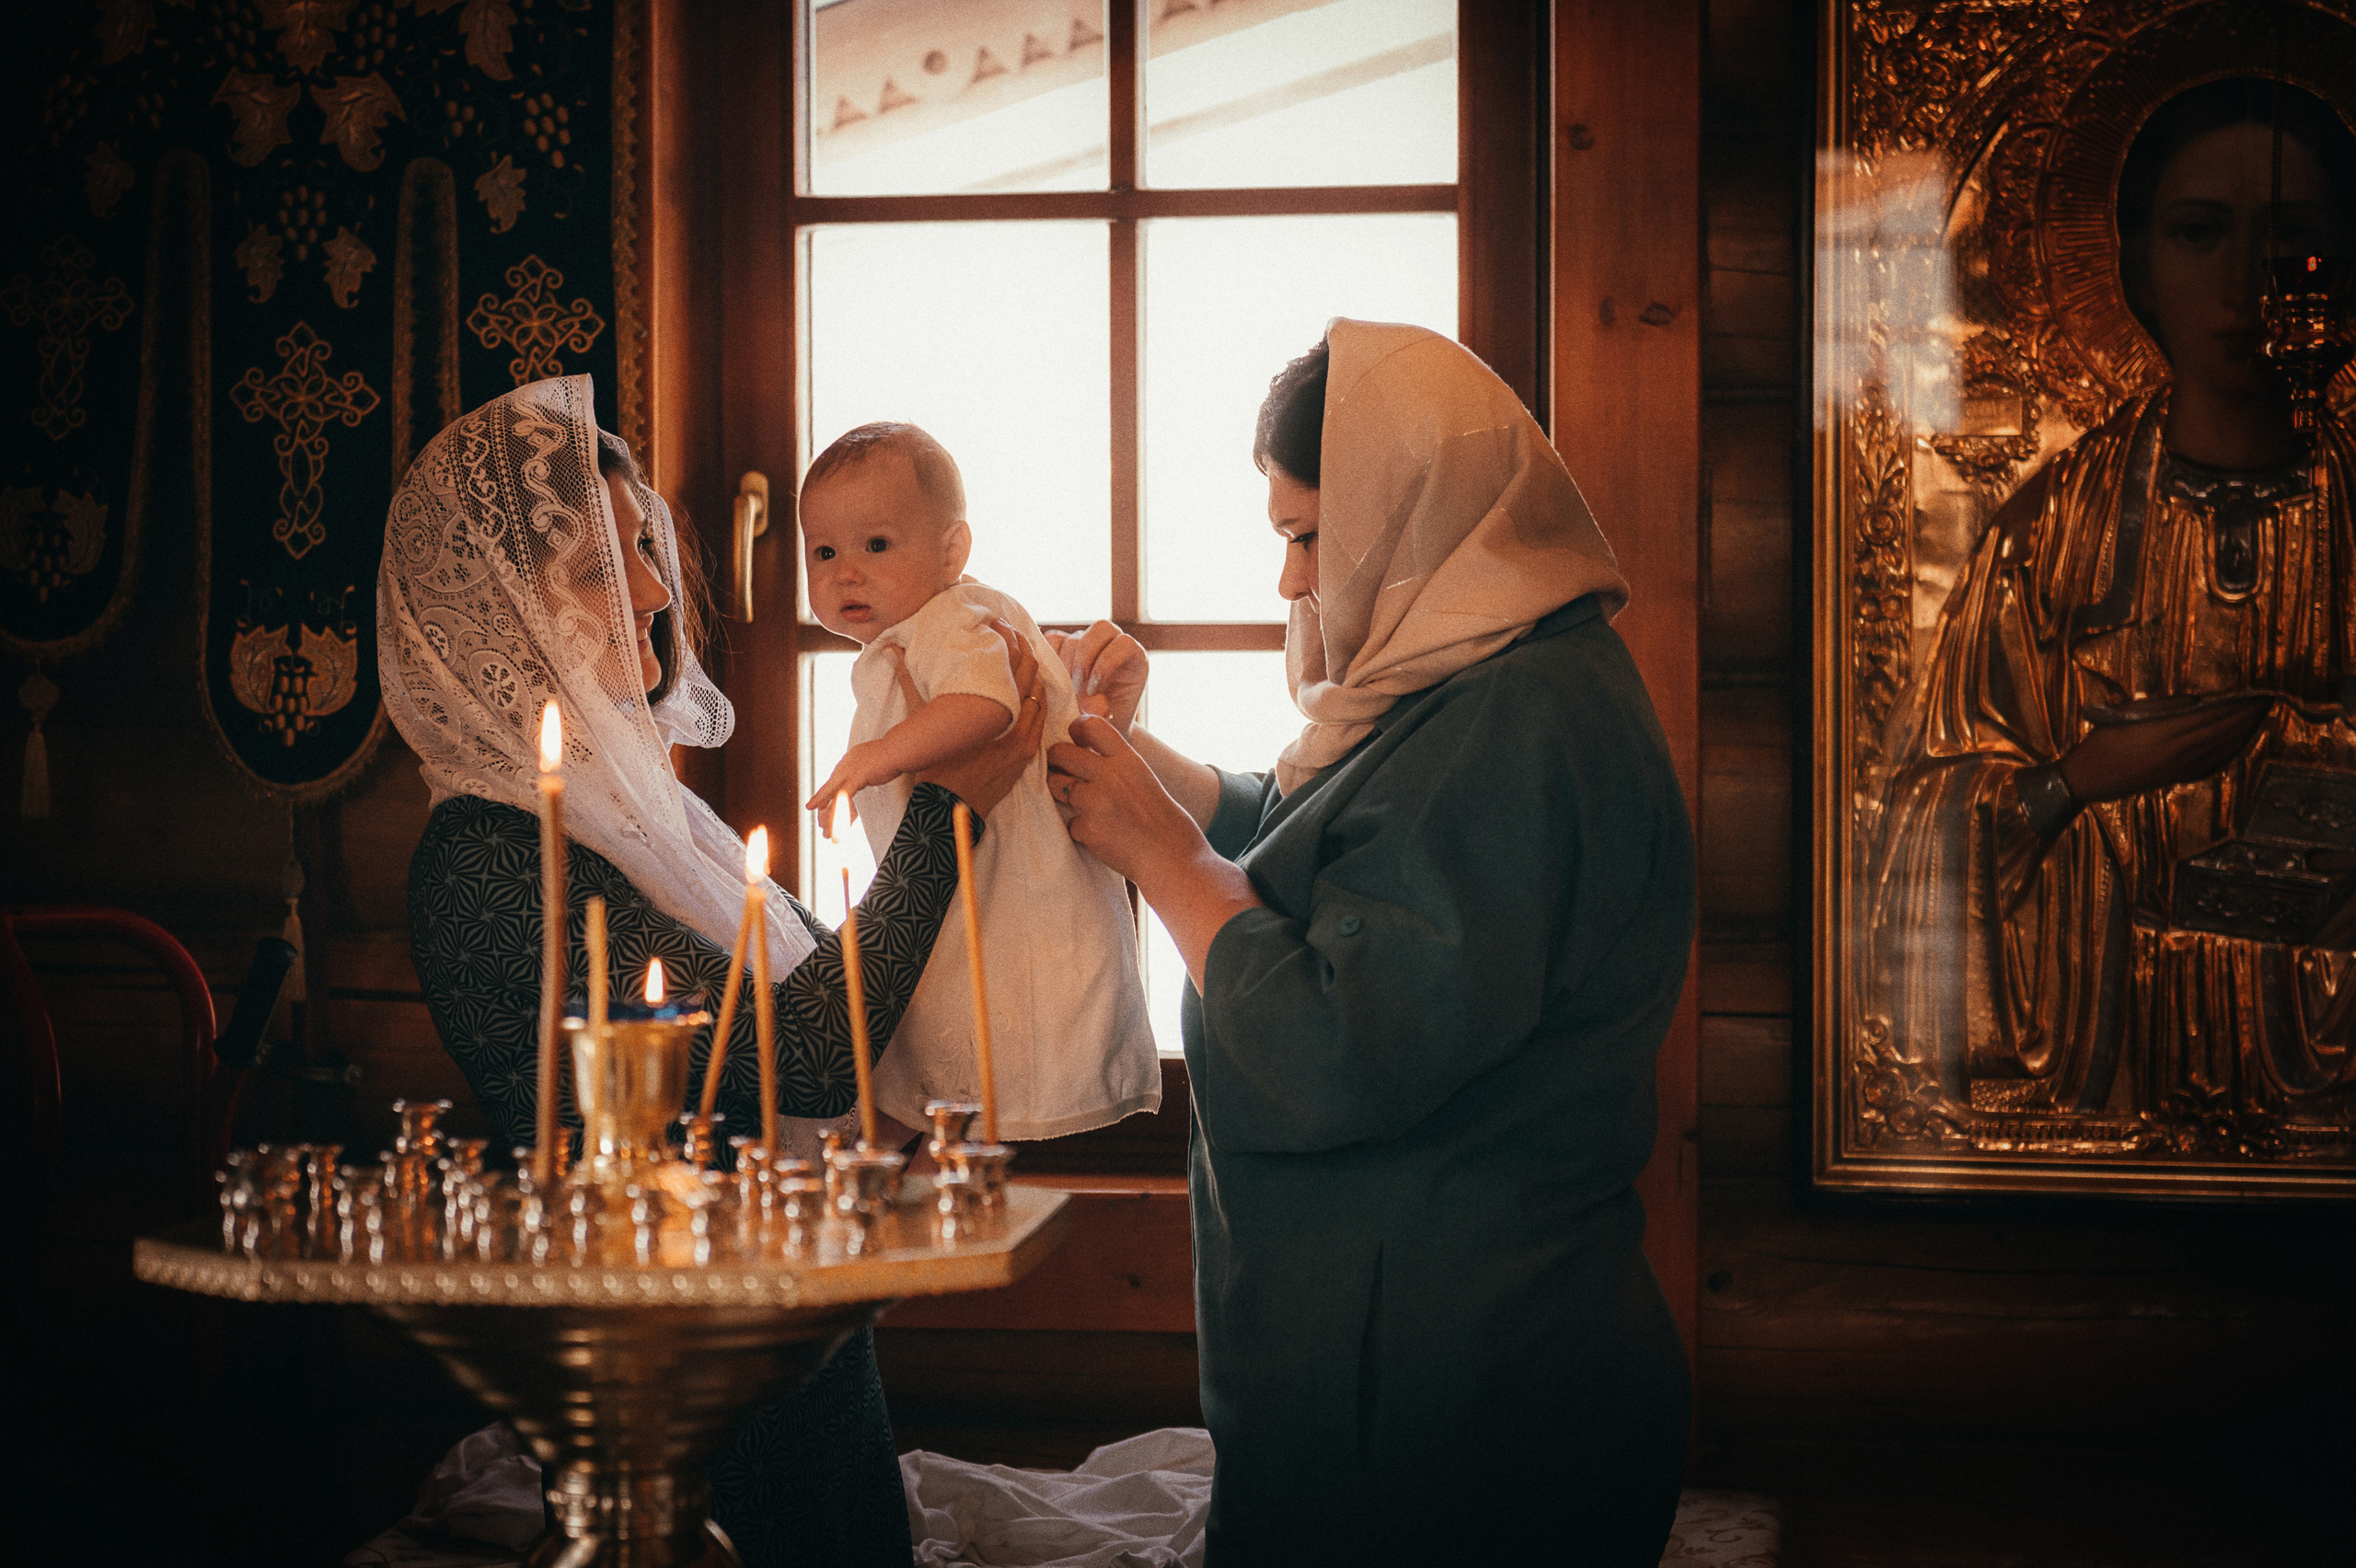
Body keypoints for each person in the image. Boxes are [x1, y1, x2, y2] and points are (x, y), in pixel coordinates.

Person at [1045, 320, 1695, 1563]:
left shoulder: (1519, 720)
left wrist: (1164, 860)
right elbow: (1321, 855)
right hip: (1418, 1377)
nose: (1291, 583)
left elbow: (1341, 1042)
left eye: (1307, 539)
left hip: (1460, 1412)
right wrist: (1146, 776)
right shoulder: (1479, 676)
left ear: (1413, 512)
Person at [377, 375, 1045, 1568]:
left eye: (645, 546)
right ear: (490, 604)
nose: (651, 587)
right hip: (674, 1389)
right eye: (596, 563)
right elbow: (801, 1051)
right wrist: (950, 806)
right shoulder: (493, 854)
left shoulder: (655, 825)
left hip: (791, 1340)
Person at [1871, 78, 2356, 1131]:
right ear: (2133, 265)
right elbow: (1918, 824)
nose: (2245, 284)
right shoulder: (2046, 538)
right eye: (2198, 234)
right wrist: (2076, 783)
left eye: (2291, 240)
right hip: (2101, 1045)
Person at [799, 421, 1157, 1140]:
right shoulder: (915, 631)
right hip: (975, 874)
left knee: (991, 1048)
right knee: (956, 1046)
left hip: (1012, 888)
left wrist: (878, 757)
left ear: (952, 550)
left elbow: (985, 705)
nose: (846, 573)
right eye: (824, 552)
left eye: (876, 545)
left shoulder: (952, 618)